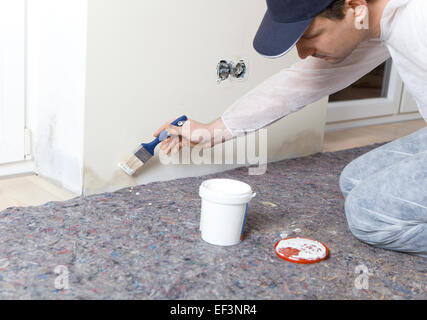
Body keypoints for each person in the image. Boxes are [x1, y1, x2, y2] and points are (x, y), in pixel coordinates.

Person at [154, 0, 427, 257]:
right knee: (353, 181)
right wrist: (214, 130)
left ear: (354, 6)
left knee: (368, 216)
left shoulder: (418, 23)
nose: (303, 52)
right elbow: (306, 81)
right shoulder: (376, 18)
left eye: (310, 36)